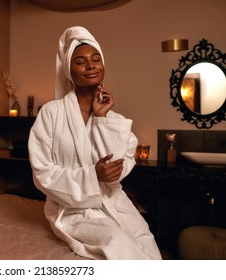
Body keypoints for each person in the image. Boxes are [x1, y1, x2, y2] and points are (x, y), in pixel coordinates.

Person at [28, 26, 162, 260]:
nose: (90, 66)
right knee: (117, 241)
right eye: (80, 62)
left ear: (103, 65)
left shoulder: (116, 122)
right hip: (72, 210)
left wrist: (101, 120)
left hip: (114, 205)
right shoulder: (51, 113)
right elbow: (42, 172)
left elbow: (117, 173)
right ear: (69, 71)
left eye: (96, 59)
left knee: (146, 245)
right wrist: (93, 176)